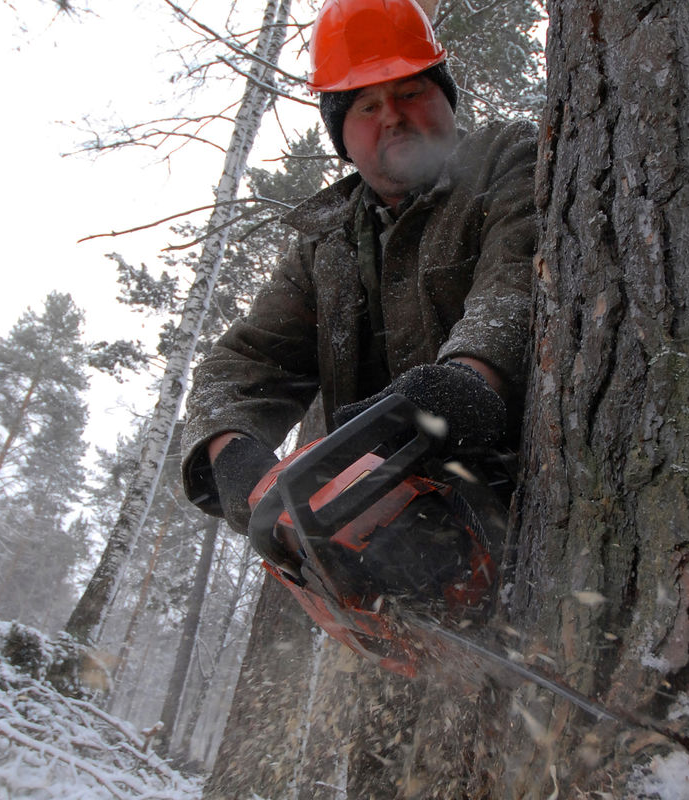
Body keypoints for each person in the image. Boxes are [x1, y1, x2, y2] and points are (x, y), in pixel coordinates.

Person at [177, 0, 538, 556]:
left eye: (410, 91)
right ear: (342, 136)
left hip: (518, 488)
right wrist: (232, 453)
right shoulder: (325, 244)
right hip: (379, 533)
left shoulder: (503, 159)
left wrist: (465, 380)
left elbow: (517, 277)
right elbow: (246, 361)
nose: (392, 115)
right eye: (367, 105)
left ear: (444, 98)